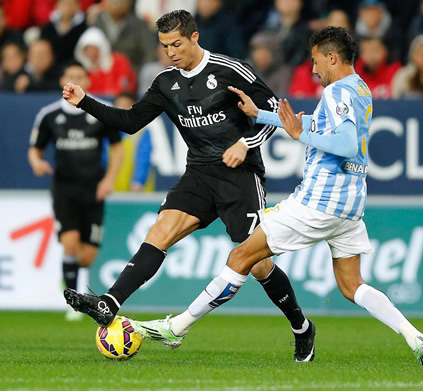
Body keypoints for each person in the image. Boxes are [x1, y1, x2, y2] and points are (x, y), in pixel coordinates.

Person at [130, 26, 423, 367]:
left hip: (319, 202)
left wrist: (297, 135)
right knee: (353, 286)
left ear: (332, 57)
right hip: (350, 205)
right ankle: (416, 338)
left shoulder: (337, 91)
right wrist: (261, 114)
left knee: (241, 257)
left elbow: (346, 143)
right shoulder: (361, 89)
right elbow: (320, 126)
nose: (312, 70)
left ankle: (177, 327)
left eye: (315, 61)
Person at [62, 9, 315, 362]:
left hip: (240, 176)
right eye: (165, 46)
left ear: (195, 38)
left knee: (257, 264)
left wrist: (245, 144)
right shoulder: (166, 83)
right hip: (198, 174)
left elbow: (274, 113)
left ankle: (302, 327)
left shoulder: (230, 70)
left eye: (177, 44)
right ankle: (109, 303)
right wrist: (85, 101)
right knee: (160, 230)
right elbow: (132, 121)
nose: (171, 52)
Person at [27, 60, 123, 321]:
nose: (75, 79)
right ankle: (73, 300)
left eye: (80, 76)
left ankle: (70, 278)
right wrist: (37, 162)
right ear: (62, 81)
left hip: (94, 190)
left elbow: (117, 148)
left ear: (88, 81)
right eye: (70, 75)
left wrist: (109, 180)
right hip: (64, 190)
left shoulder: (98, 112)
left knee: (87, 256)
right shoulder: (49, 115)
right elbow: (35, 148)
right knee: (69, 244)